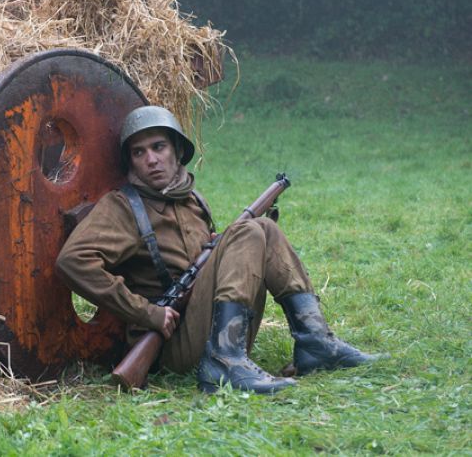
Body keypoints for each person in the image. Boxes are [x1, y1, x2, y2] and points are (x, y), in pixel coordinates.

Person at [56, 105, 382, 393]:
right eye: (139, 153)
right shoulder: (123, 207)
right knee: (248, 231)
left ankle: (315, 343)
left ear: (177, 152)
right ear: (130, 162)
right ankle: (225, 361)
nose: (151, 159)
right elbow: (73, 261)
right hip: (173, 343)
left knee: (263, 226)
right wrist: (147, 313)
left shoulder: (194, 199)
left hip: (210, 324)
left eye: (158, 147)